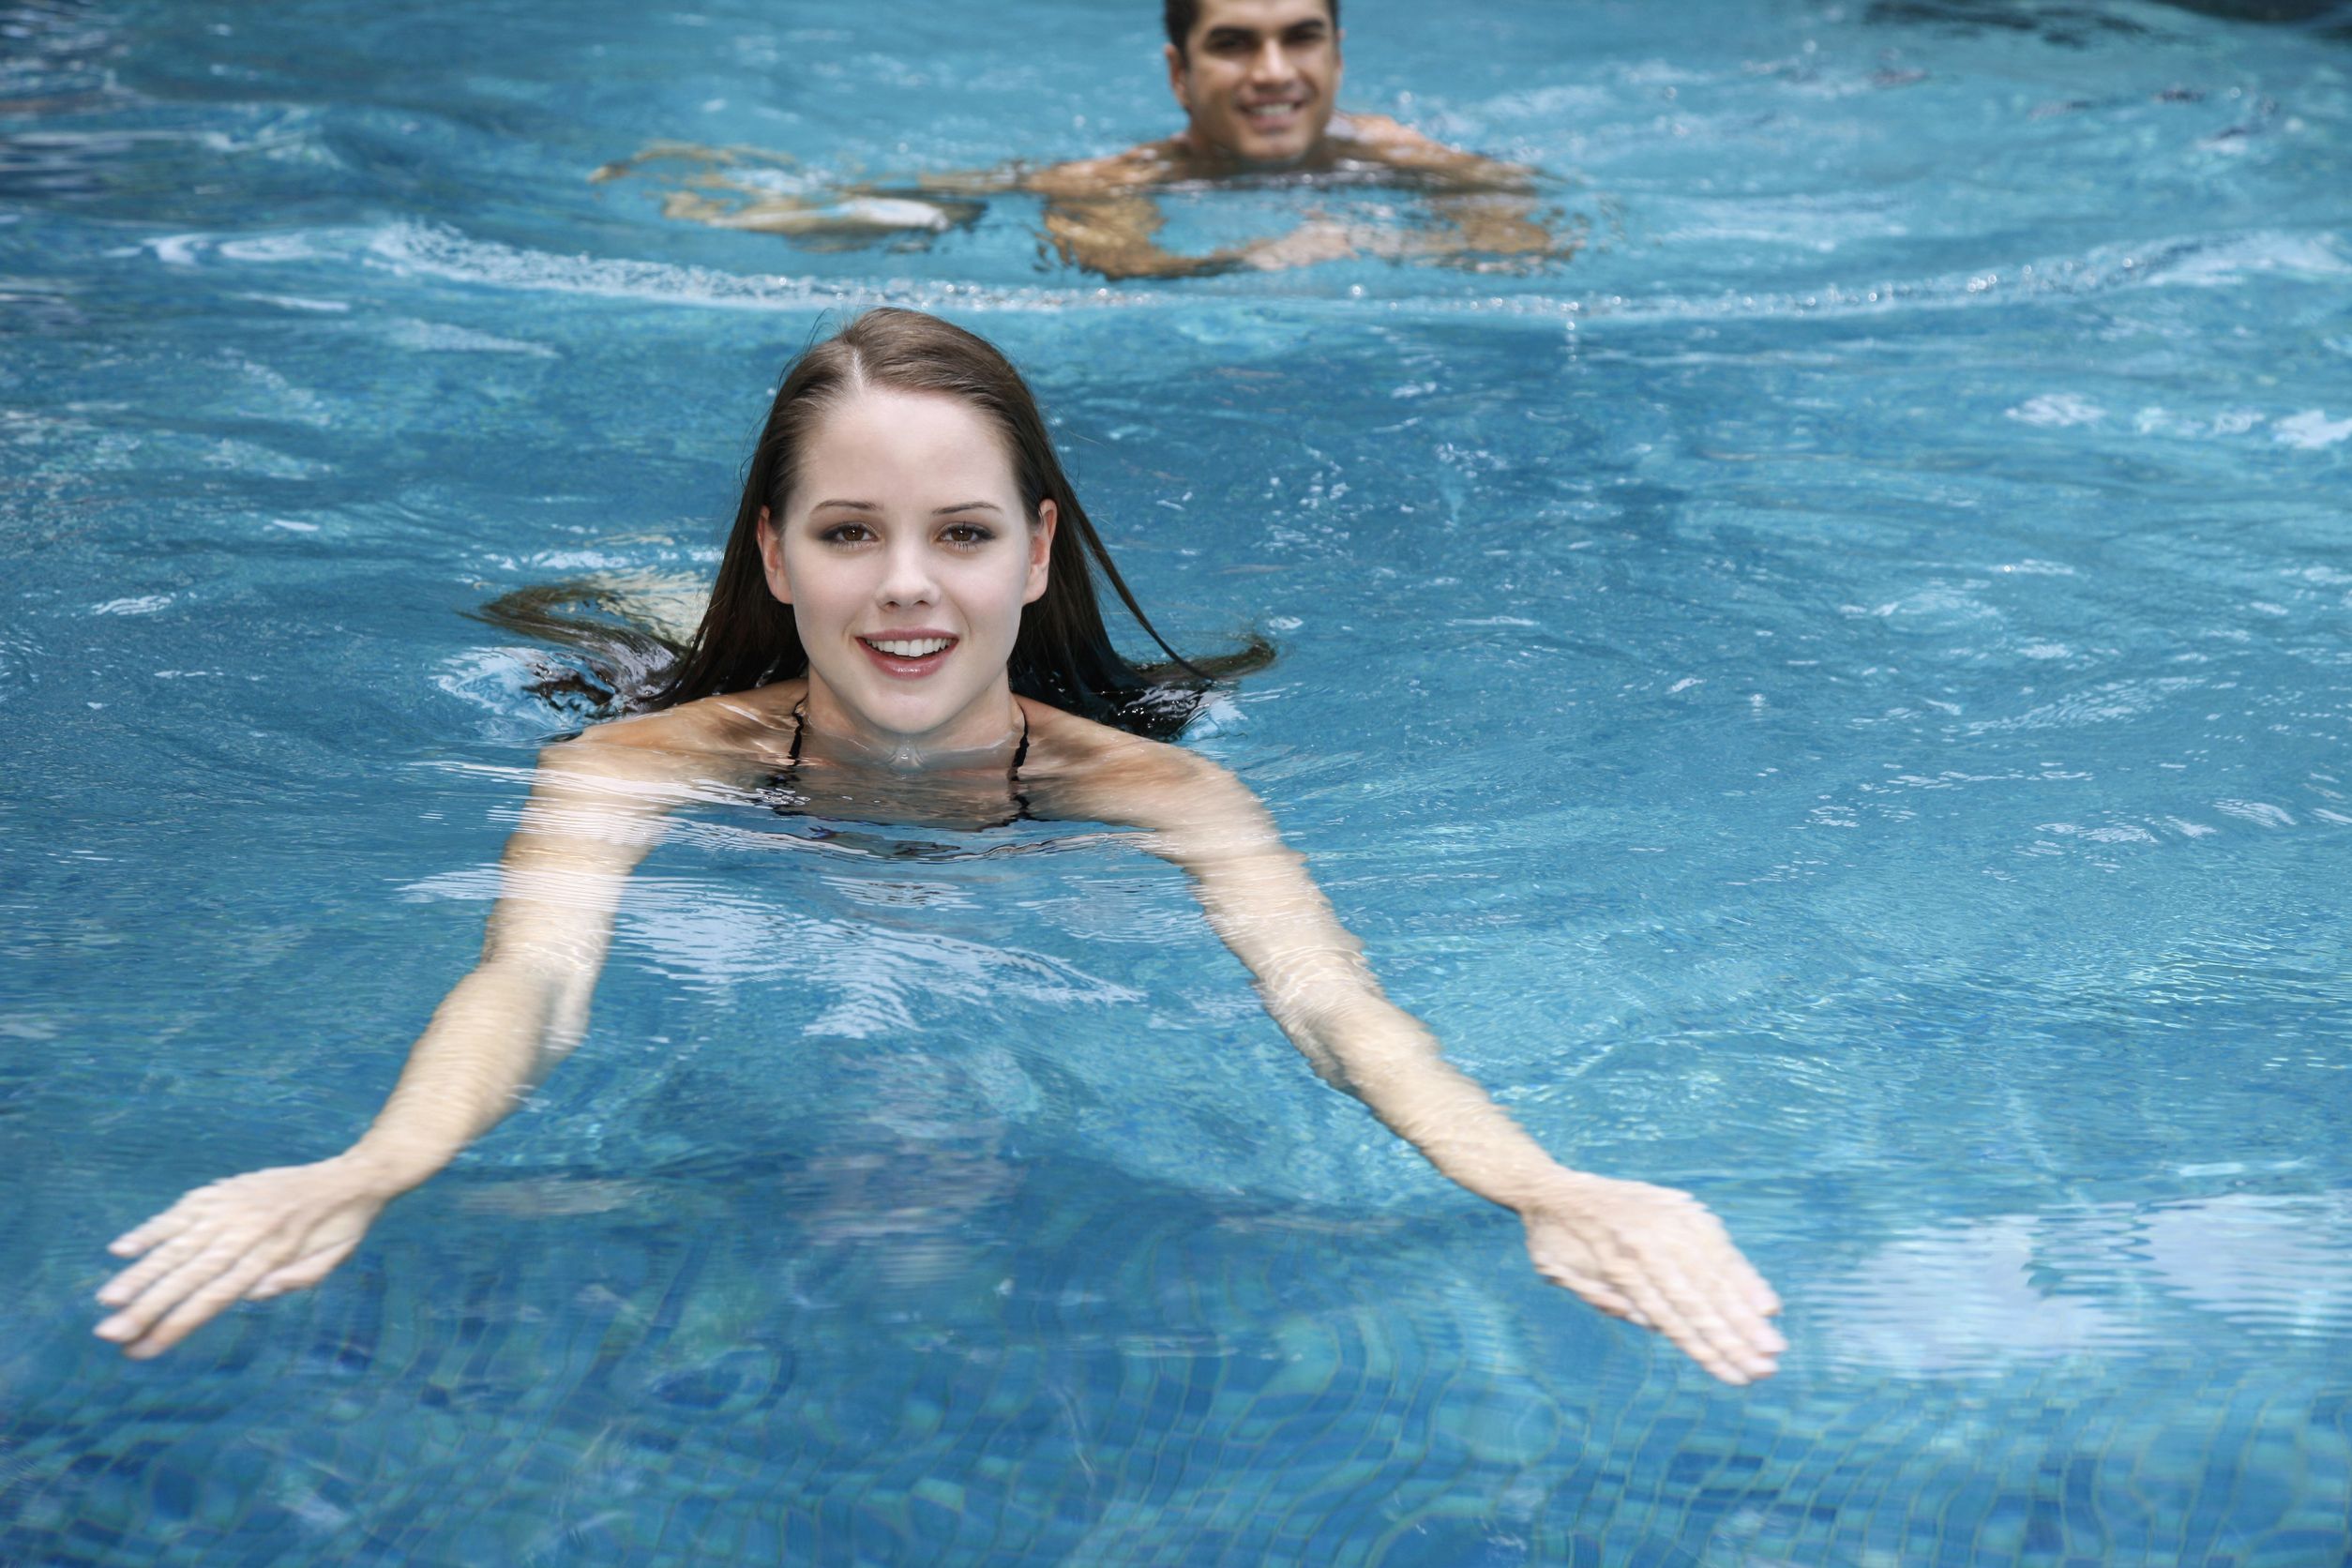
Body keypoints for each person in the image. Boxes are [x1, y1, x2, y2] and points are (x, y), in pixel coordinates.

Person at [94, 309, 1782, 1385]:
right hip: (701, 687)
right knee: (604, 627)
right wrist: (373, 1163)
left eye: (960, 535)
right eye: (847, 535)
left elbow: (1340, 1013)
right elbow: (526, 984)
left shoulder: (1165, 792)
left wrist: (1540, 1182)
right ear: (775, 543)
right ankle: (659, 596)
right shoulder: (630, 761)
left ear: (1039, 555)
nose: (906, 583)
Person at [594, 0, 1579, 279]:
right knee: (913, 209)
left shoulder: (1397, 155)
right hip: (1017, 187)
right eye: (1234, 44)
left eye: (1300, 38)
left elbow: (1533, 239)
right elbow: (1119, 261)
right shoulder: (1117, 176)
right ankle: (733, 192)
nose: (1274, 71)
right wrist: (1253, 258)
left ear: (1338, 54)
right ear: (1179, 73)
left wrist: (1406, 240)